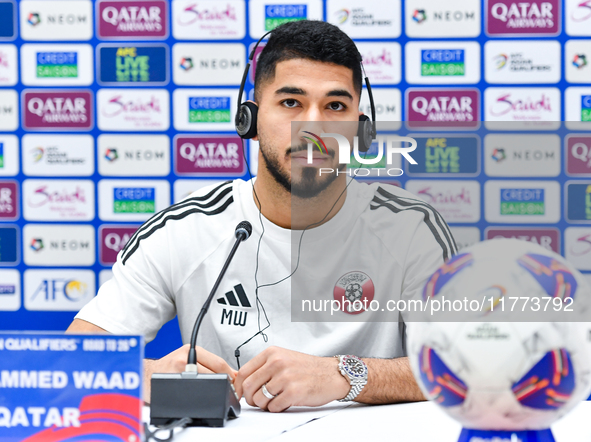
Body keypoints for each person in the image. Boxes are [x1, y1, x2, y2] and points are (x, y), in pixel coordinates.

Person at [67, 20, 456, 412]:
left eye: (335, 106)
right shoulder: (183, 230)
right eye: (291, 103)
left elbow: (459, 368)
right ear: (249, 120)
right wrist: (147, 376)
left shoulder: (411, 229)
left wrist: (343, 375)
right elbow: (71, 360)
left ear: (361, 129)